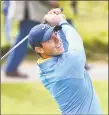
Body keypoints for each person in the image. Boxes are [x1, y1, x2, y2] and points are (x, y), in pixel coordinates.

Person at [28, 8, 102, 114]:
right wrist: (61, 21)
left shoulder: (45, 64)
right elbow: (76, 43)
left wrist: (57, 24)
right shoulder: (66, 67)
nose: (57, 40)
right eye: (49, 40)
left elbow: (64, 47)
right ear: (39, 49)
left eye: (55, 34)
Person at [4, 1, 53, 77]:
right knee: (24, 40)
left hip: (29, 11)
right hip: (30, 12)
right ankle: (11, 68)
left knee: (26, 39)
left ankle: (10, 68)